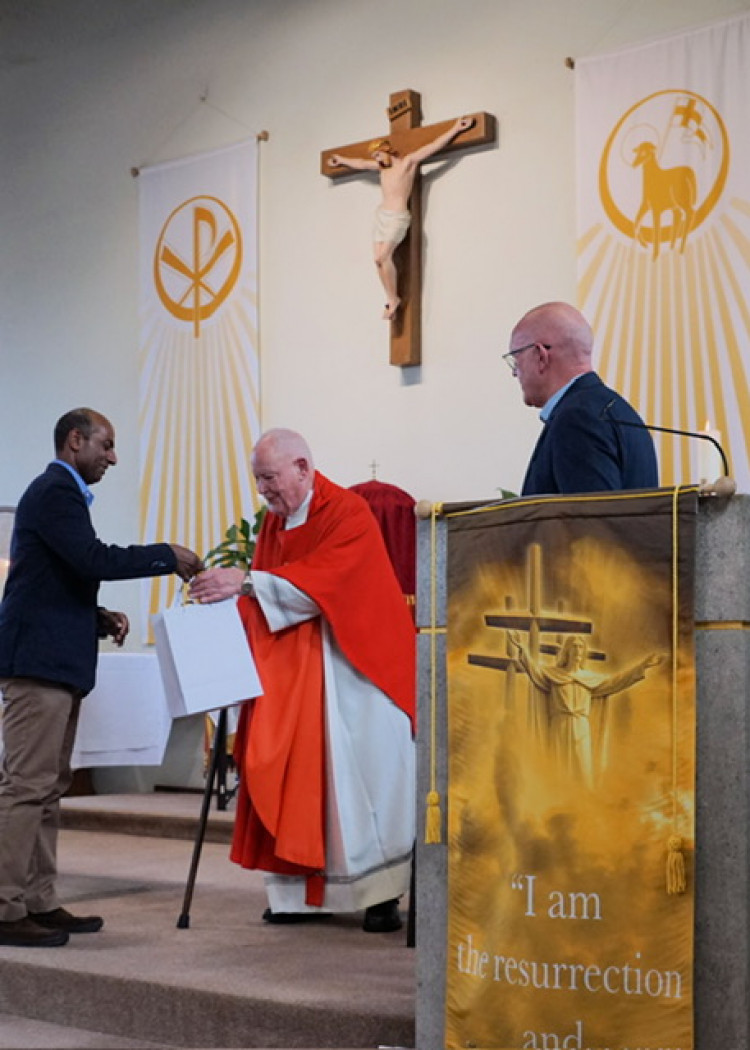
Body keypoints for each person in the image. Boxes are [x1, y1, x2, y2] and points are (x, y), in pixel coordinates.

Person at [190, 428, 415, 933]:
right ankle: (298, 894)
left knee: (365, 786)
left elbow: (328, 582)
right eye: (259, 480)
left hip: (356, 669)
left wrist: (245, 582)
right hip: (296, 671)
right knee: (289, 773)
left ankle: (380, 897)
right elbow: (271, 593)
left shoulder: (348, 512)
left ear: (303, 468)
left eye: (270, 478)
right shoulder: (274, 523)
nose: (265, 491)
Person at [0, 408, 203, 948]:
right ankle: (4, 905)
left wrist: (96, 618)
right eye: (106, 445)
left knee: (46, 789)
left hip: (56, 663)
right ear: (75, 441)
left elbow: (55, 578)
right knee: (24, 788)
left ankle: (37, 900)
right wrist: (167, 556)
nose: (112, 457)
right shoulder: (54, 492)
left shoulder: (59, 496)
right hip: (37, 666)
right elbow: (91, 558)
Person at [504, 301, 659, 495]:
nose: (514, 373)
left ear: (541, 356)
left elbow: (590, 520)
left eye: (515, 361)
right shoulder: (620, 410)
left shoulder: (577, 419)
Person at [328, 116, 474, 320]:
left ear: (388, 150)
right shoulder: (381, 168)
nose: (377, 159)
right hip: (381, 216)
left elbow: (433, 146)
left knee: (382, 257)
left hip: (397, 216)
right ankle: (391, 298)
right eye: (375, 156)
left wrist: (456, 129)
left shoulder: (407, 163)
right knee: (377, 260)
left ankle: (393, 299)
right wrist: (341, 160)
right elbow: (360, 163)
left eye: (379, 154)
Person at [508, 632, 662, 788]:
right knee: (559, 768)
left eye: (581, 647)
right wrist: (523, 649)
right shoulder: (554, 675)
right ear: (567, 651)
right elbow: (535, 672)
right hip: (560, 725)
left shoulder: (590, 679)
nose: (578, 650)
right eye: (574, 646)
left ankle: (582, 803)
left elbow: (617, 681)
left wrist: (643, 666)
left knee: (582, 769)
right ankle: (557, 804)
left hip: (581, 727)